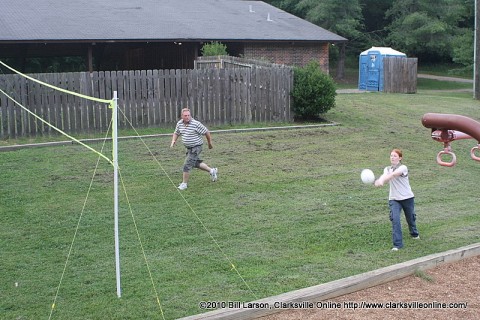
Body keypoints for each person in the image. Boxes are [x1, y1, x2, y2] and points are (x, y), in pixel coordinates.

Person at [374, 148, 419, 251]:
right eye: (391, 155)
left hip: (407, 198)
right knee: (395, 219)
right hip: (394, 199)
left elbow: (393, 175)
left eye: (395, 156)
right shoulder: (387, 169)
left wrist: (382, 181)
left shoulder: (403, 168)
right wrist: (380, 180)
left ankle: (414, 233)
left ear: (400, 158)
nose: (392, 157)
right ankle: (397, 245)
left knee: (410, 218)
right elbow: (385, 175)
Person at [170, 108, 218, 190]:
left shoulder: (196, 124)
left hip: (196, 147)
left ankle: (184, 184)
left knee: (187, 165)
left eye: (189, 115)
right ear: (182, 116)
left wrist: (209, 143)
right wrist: (173, 140)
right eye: (185, 115)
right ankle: (212, 171)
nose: (187, 117)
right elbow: (176, 132)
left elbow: (206, 132)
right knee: (195, 163)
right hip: (189, 148)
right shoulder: (180, 124)